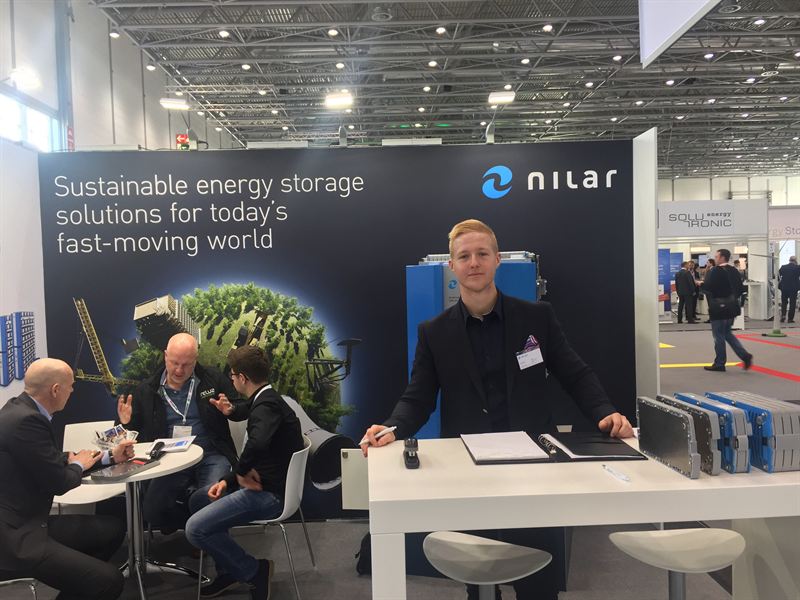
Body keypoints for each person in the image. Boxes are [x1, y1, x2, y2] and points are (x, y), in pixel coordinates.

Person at [361, 219, 633, 600]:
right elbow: (418, 399)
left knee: (540, 583)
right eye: (464, 256)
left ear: (497, 259)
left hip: (535, 469)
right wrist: (392, 427)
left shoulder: (537, 318)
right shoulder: (434, 333)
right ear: (452, 266)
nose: (473, 263)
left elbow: (575, 373)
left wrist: (604, 410)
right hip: (469, 473)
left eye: (482, 254)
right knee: (481, 578)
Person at [0, 358, 133, 600]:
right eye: (70, 386)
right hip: (17, 538)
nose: (72, 391)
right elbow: (59, 482)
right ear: (55, 390)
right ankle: (90, 580)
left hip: (28, 522)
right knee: (109, 581)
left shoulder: (18, 410)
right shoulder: (27, 421)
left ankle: (80, 581)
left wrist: (109, 457)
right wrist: (78, 465)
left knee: (112, 529)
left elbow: (49, 458)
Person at [186, 346, 303, 600]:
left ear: (242, 378)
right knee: (198, 500)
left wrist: (236, 476)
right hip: (266, 482)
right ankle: (229, 569)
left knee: (195, 529)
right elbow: (249, 411)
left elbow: (257, 443)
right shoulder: (266, 397)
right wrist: (230, 411)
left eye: (232, 375)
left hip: (270, 494)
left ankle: (254, 571)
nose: (231, 379)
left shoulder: (265, 407)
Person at [117, 332, 247, 532]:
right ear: (165, 356)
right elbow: (130, 433)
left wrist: (231, 410)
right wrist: (125, 422)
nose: (179, 370)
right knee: (152, 511)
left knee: (212, 497)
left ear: (195, 360)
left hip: (211, 454)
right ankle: (191, 524)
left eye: (186, 364)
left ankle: (200, 529)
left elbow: (241, 408)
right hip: (169, 458)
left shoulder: (212, 379)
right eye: (174, 363)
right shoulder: (147, 389)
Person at [702, 249, 753, 372]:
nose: (715, 258)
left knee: (718, 335)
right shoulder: (734, 271)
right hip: (732, 306)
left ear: (722, 258)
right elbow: (740, 289)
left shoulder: (715, 271)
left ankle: (720, 363)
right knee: (727, 333)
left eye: (716, 256)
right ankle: (745, 355)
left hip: (718, 307)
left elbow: (708, 287)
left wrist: (701, 284)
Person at [778, 256, 800, 323]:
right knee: (792, 303)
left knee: (784, 302)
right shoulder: (798, 267)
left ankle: (783, 316)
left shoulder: (783, 267)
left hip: (784, 287)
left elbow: (777, 276)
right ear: (795, 261)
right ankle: (790, 319)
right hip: (793, 288)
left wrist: (781, 282)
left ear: (789, 260)